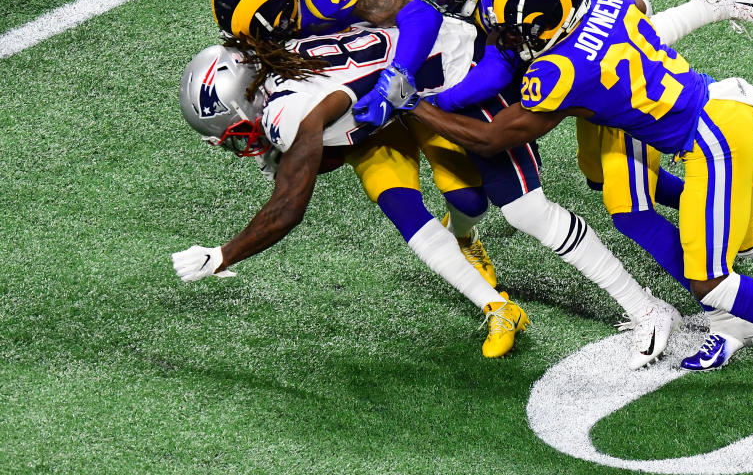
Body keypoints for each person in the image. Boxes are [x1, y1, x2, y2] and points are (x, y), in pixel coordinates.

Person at [403, 0, 753, 394]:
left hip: (710, 140)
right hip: (714, 109)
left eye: (511, 29)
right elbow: (642, 19)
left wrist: (415, 107)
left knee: (710, 279)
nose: (504, 37)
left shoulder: (557, 72)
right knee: (745, 238)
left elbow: (495, 139)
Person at [400, 0, 753, 370]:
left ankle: (679, 290)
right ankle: (712, 6)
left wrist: (434, 102)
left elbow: (498, 81)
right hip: (634, 82)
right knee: (597, 167)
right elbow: (634, 9)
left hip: (654, 107)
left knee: (616, 207)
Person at [172, 19, 529, 358]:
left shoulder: (289, 111)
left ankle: (464, 237)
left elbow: (287, 210)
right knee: (402, 207)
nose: (241, 144)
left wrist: (221, 256)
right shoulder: (276, 61)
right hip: (378, 117)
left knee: (469, 199)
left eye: (235, 131)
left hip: (428, 94)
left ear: (245, 98)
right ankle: (498, 307)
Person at [210, 0, 498, 293]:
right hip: (346, 90)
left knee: (468, 198)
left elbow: (420, 16)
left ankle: (463, 235)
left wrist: (397, 79)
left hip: (402, 66)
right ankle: (491, 302)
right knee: (396, 200)